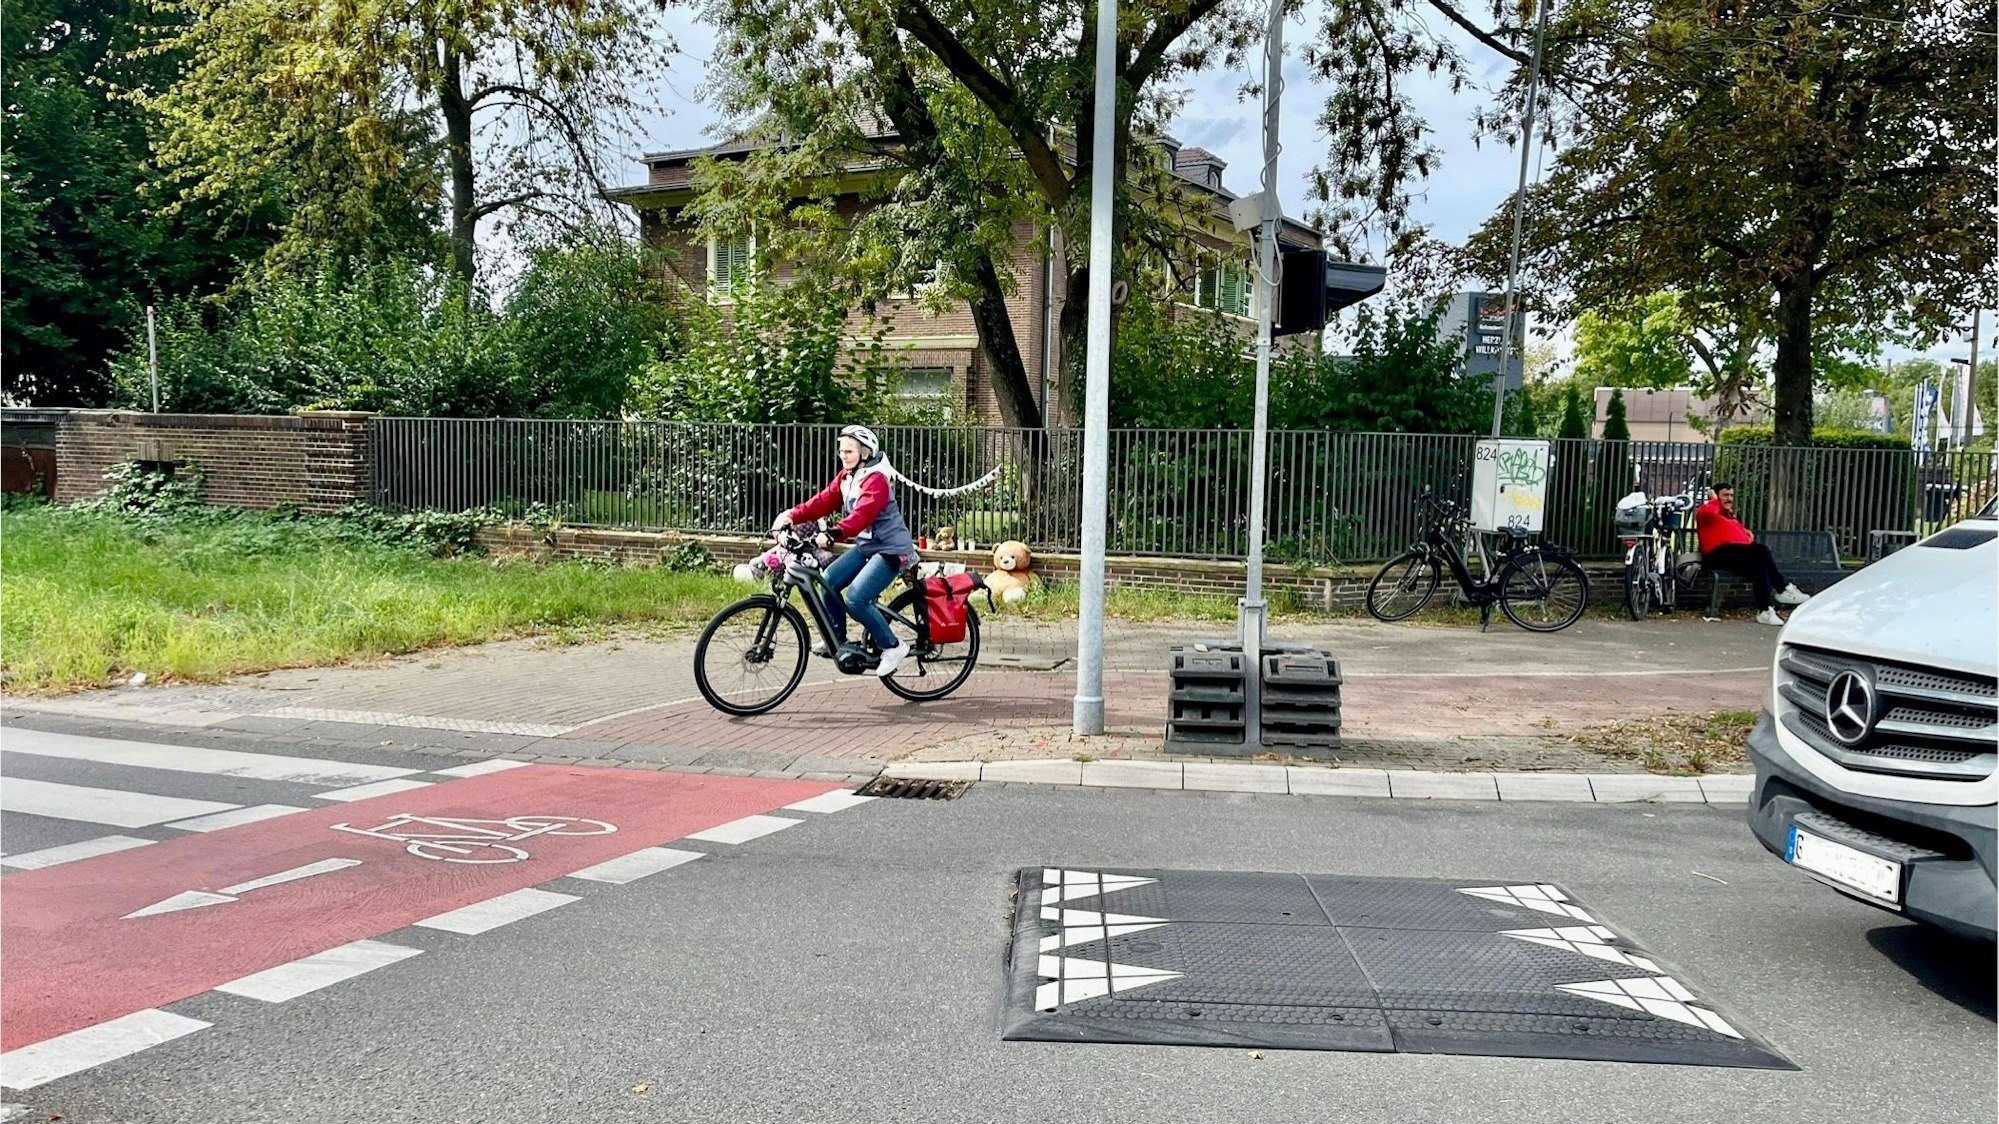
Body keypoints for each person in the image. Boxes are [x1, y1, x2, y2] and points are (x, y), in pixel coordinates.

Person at [772, 424, 918, 675]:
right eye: (841, 450)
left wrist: (833, 533)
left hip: (891, 550)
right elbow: (823, 501)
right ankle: (837, 642)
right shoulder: (847, 477)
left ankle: (893, 646)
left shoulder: (876, 480)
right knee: (828, 582)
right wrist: (791, 516)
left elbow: (863, 515)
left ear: (865, 453)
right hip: (868, 547)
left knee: (857, 599)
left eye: (848, 451)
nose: (843, 455)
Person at [1695, 482, 1811, 626]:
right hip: (1715, 555)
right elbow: (1709, 514)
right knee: (1761, 550)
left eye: (1731, 495)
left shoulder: (1729, 515)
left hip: (1734, 555)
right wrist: (1713, 500)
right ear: (1715, 495)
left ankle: (1765, 611)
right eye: (1725, 495)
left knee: (1760, 567)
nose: (1729, 499)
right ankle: (1782, 588)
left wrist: (1746, 534)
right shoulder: (1706, 511)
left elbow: (1737, 533)